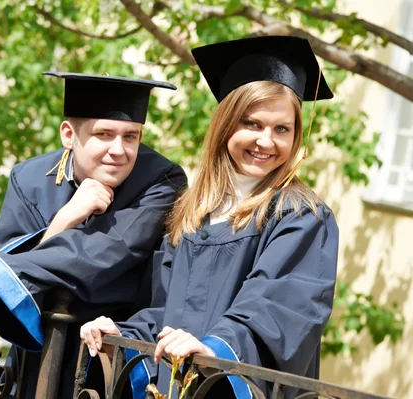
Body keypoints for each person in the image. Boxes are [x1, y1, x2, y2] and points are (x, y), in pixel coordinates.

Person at [80, 36, 339, 399]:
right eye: (252, 123)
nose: (266, 141)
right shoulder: (194, 212)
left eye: (282, 128)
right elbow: (163, 311)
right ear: (226, 126)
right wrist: (120, 336)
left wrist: (215, 348)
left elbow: (279, 309)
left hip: (231, 387)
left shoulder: (300, 216)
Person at [0, 72, 187, 396]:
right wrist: (65, 219)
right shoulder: (30, 178)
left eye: (130, 137)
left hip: (108, 354)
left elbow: (107, 252)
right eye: (103, 134)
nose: (118, 150)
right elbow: (10, 296)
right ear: (68, 134)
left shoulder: (161, 180)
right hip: (36, 350)